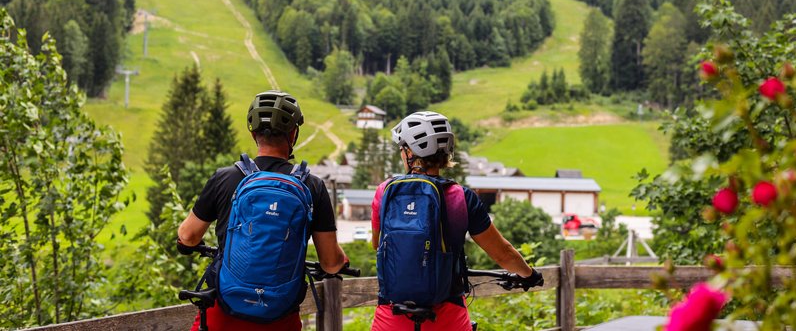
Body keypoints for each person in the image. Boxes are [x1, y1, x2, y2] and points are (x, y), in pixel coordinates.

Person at [177, 90, 347, 331]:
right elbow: (330, 263)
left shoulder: (225, 178)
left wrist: (186, 244)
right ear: (294, 133)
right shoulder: (313, 187)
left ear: (253, 132)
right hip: (280, 317)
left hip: (224, 315)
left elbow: (188, 236)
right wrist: (342, 260)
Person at [370, 111, 543, 331]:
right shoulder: (462, 197)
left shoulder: (384, 192)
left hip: (391, 317)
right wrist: (530, 275)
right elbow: (503, 253)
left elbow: (377, 245)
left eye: (402, 148)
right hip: (448, 318)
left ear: (411, 151)